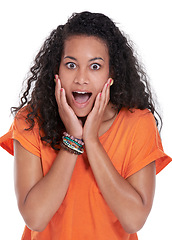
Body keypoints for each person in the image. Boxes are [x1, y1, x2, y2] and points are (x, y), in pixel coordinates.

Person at [0, 11, 171, 240]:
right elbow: (35, 218)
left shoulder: (138, 124)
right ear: (56, 71)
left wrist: (90, 140)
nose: (81, 78)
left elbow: (133, 220)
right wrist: (73, 139)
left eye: (95, 66)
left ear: (112, 73)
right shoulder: (30, 120)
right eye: (71, 65)